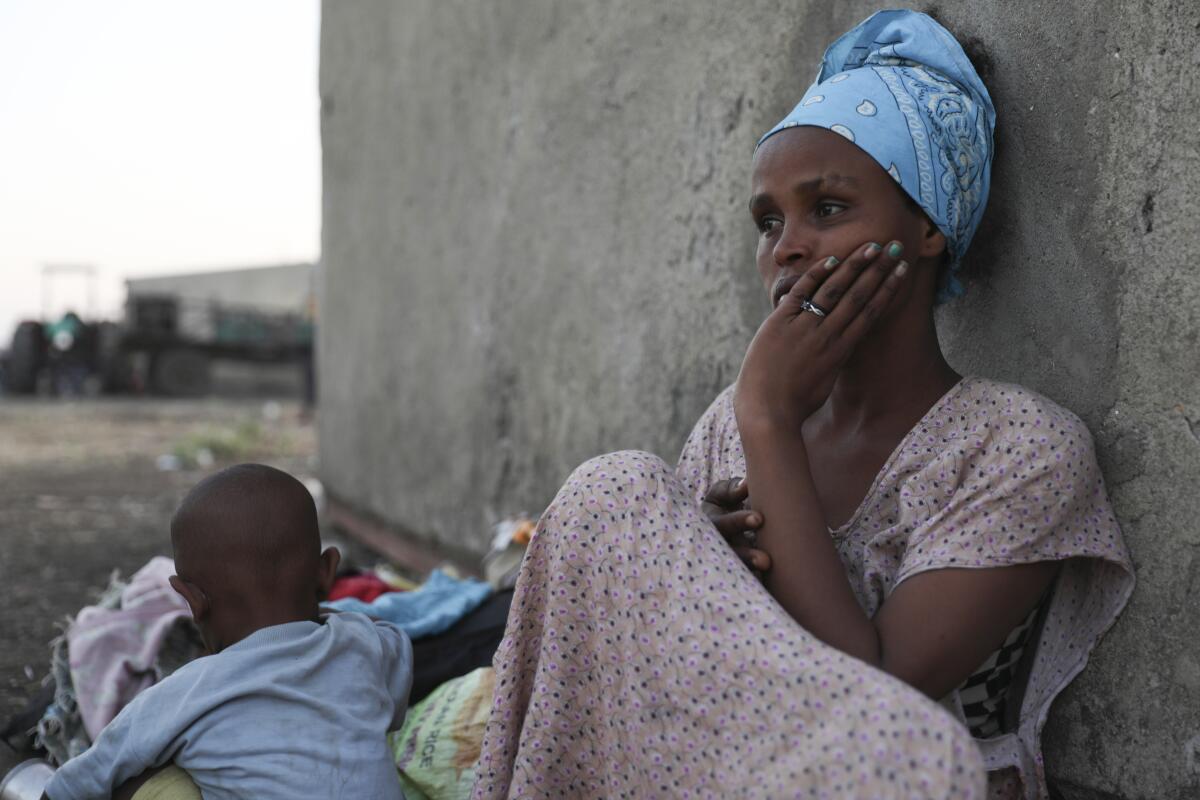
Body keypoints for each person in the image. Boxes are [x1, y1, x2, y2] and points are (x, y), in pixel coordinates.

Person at [471, 10, 1133, 799]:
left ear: (926, 228)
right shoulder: (731, 421)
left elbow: (870, 696)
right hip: (721, 770)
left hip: (898, 779)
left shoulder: (1020, 449)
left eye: (827, 210)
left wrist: (771, 425)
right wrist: (688, 566)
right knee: (614, 492)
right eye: (768, 222)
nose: (786, 247)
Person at [42, 464, 414, 800]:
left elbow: (71, 787)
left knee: (142, 779)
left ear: (192, 600)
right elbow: (396, 656)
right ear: (328, 570)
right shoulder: (364, 644)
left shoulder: (184, 696)